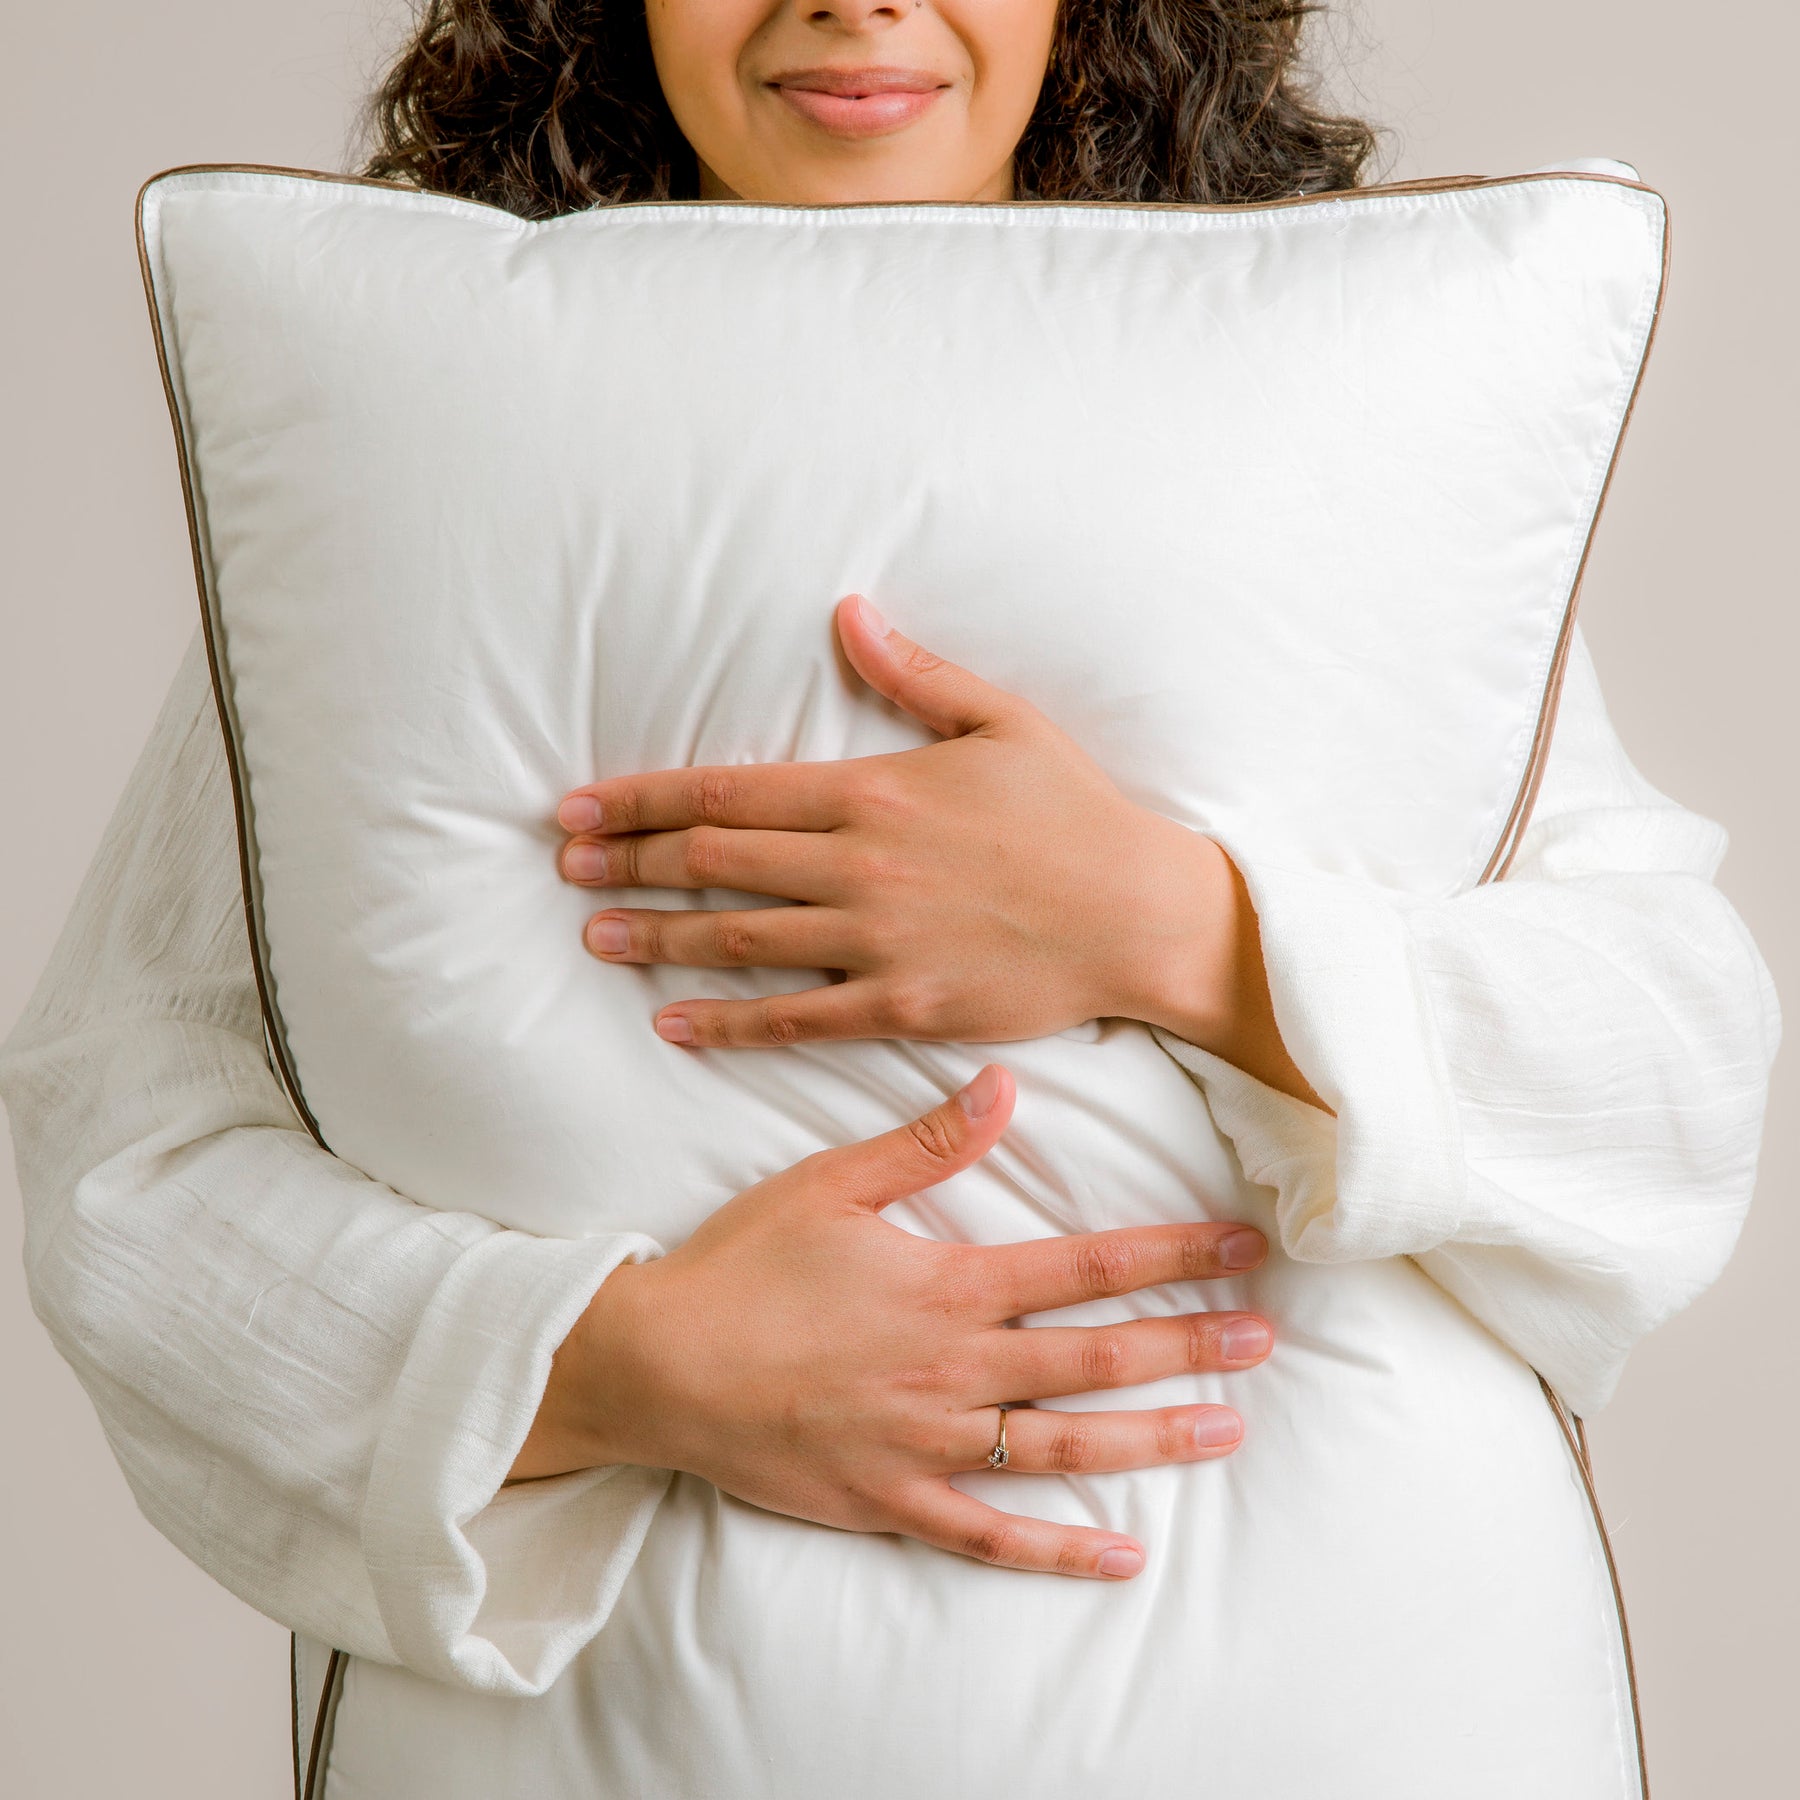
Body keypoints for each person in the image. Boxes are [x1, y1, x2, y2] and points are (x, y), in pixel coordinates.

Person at [2, 1, 1779, 1794]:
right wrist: (620, 1370)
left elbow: (1673, 1081)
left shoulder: (1324, 453)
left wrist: (1176, 928)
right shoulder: (414, 486)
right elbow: (123, 1149)